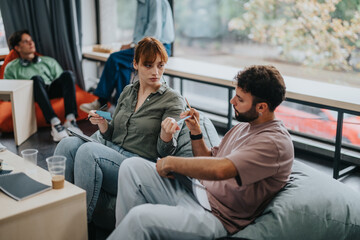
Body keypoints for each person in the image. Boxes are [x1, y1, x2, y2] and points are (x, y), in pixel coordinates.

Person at [107, 65, 295, 239]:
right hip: (196, 190)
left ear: (261, 107)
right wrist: (196, 132)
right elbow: (209, 159)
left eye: (240, 99)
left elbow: (221, 169)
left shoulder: (274, 143)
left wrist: (172, 163)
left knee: (140, 218)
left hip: (216, 216)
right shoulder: (245, 127)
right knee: (131, 166)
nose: (232, 101)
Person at [54, 37, 185, 223]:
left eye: (160, 65)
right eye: (148, 65)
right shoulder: (128, 91)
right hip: (112, 152)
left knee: (88, 151)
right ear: (135, 64)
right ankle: (56, 212)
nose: (156, 72)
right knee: (67, 143)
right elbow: (113, 133)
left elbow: (165, 153)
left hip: (137, 166)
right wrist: (103, 124)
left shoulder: (172, 100)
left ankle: (78, 227)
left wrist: (166, 135)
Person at [80, 0, 175, 113]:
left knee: (114, 58)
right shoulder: (142, 3)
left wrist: (133, 46)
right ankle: (122, 105)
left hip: (158, 47)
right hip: (145, 44)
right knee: (122, 66)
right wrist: (131, 45)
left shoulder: (155, 1)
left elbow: (154, 33)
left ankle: (102, 101)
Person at [4, 30, 81, 142]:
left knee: (68, 74)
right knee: (36, 78)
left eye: (31, 40)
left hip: (50, 90)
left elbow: (63, 82)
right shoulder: (11, 67)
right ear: (17, 48)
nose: (31, 43)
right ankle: (55, 124)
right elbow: (9, 92)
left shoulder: (49, 61)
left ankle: (71, 121)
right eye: (26, 42)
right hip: (31, 94)